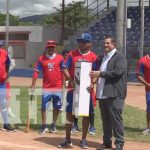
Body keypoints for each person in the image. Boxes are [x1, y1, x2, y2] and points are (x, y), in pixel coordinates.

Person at [58, 33, 97, 149]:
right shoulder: (72, 54)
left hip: (86, 91)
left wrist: (92, 83)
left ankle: (83, 139)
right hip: (73, 89)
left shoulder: (93, 57)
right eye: (79, 41)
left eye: (83, 41)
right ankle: (67, 139)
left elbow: (96, 74)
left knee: (86, 115)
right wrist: (70, 79)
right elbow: (64, 68)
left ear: (89, 43)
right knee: (69, 114)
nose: (80, 43)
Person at [89, 36, 127, 150]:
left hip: (114, 94)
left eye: (108, 43)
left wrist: (100, 74)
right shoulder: (103, 57)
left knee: (116, 119)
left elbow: (118, 72)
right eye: (104, 43)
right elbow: (97, 74)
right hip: (102, 93)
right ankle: (107, 142)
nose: (105, 45)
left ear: (113, 44)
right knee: (105, 120)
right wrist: (94, 82)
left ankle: (119, 143)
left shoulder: (119, 57)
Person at [31, 40, 70, 134]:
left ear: (54, 48)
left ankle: (53, 125)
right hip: (46, 88)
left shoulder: (60, 58)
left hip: (57, 87)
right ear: (46, 48)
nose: (51, 48)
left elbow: (64, 69)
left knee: (56, 107)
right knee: (44, 107)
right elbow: (36, 72)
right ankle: (44, 126)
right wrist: (33, 85)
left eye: (53, 47)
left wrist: (71, 79)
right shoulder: (41, 59)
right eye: (49, 47)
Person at [0, 41, 16, 131]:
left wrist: (5, 75)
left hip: (1, 83)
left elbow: (7, 64)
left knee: (3, 104)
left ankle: (6, 124)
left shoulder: (4, 53)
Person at [136, 53, 150, 135]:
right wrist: (148, 84)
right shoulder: (143, 60)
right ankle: (148, 128)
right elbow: (138, 75)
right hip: (149, 90)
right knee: (149, 109)